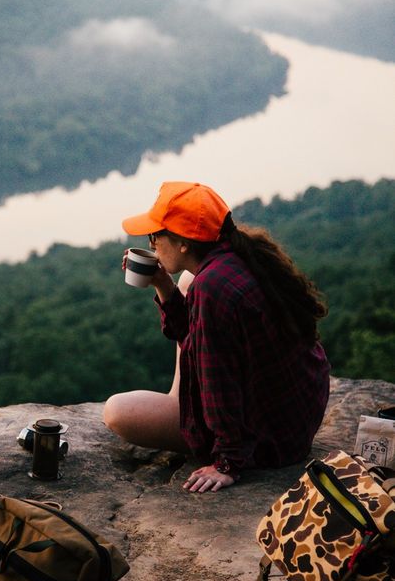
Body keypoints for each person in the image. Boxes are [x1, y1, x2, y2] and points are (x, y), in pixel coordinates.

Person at [103, 181, 330, 493]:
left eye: (155, 235)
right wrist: (162, 285)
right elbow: (196, 338)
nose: (151, 243)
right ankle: (180, 405)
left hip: (269, 438)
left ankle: (184, 412)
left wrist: (227, 462)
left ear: (183, 243)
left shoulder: (212, 289)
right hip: (293, 417)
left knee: (117, 412)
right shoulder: (234, 257)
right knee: (184, 281)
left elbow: (217, 381)